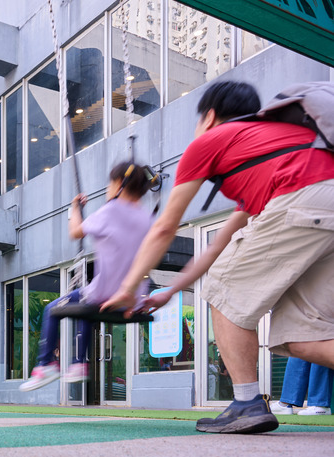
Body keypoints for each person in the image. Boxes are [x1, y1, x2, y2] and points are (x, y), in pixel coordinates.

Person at [102, 80, 334, 434]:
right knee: (303, 334)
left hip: (302, 199)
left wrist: (128, 286)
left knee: (225, 289)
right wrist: (167, 292)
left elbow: (164, 228)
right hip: (320, 202)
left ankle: (246, 403)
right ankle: (247, 403)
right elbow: (216, 247)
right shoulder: (274, 145)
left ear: (209, 117)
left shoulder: (211, 141)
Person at [19, 161, 155, 391]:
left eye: (109, 184)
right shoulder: (146, 218)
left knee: (53, 309)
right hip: (133, 299)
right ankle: (78, 364)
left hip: (104, 293)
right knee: (86, 303)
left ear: (119, 184)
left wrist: (74, 208)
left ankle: (46, 364)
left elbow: (75, 232)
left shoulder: (110, 211)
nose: (108, 190)